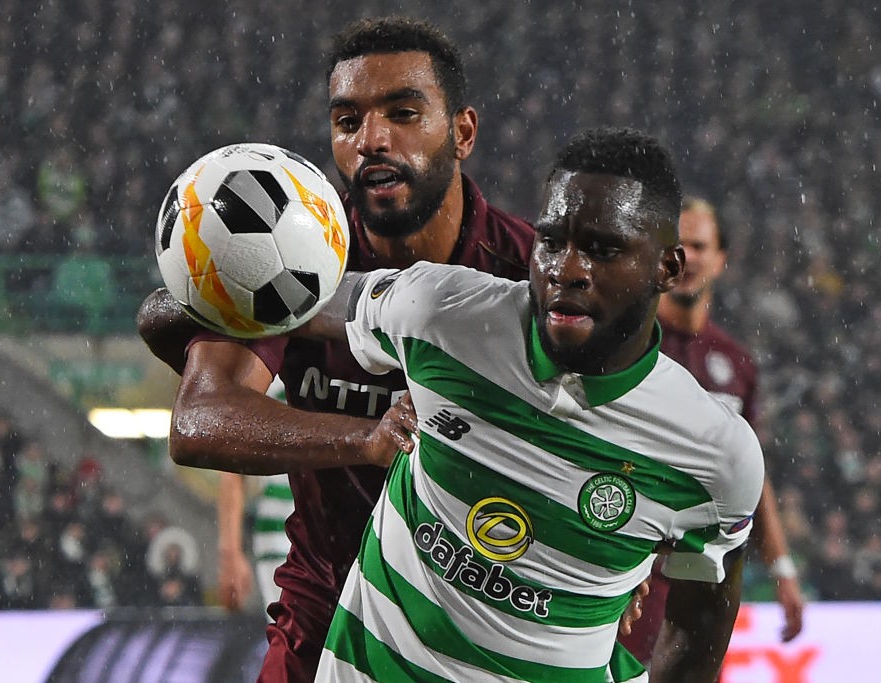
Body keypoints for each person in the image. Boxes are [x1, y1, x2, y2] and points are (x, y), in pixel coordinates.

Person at [138, 17, 534, 683]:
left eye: (403, 114)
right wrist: (366, 438)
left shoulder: (529, 274)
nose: (372, 140)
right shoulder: (288, 254)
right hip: (328, 622)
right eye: (348, 121)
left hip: (487, 634)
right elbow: (200, 418)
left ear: (463, 132)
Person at [297, 126, 764, 682]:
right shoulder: (442, 314)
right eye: (552, 241)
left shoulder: (715, 453)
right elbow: (293, 297)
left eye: (602, 249)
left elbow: (702, 615)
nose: (567, 270)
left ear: (667, 268)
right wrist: (190, 297)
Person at [619, 197, 806, 665]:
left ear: (722, 259)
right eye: (677, 245)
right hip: (627, 572)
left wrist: (782, 569)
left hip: (706, 582)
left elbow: (751, 475)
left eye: (700, 246)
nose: (689, 257)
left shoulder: (737, 364)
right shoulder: (624, 345)